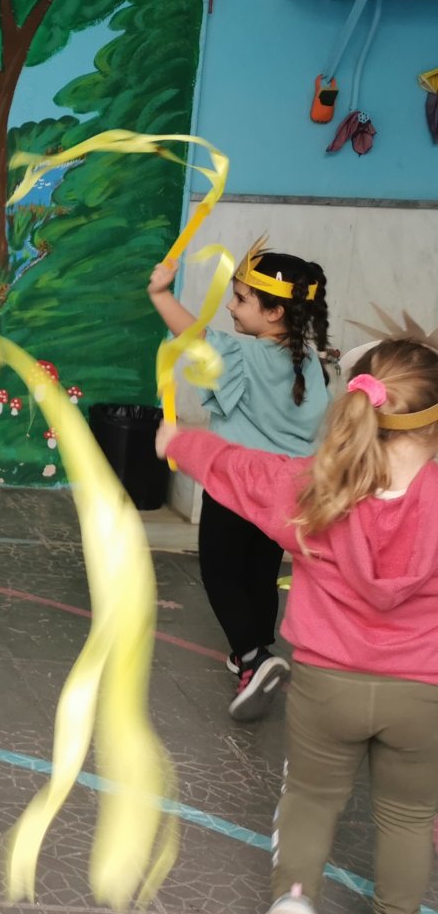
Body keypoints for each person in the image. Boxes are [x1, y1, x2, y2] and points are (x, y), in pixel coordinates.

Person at [159, 338, 438, 914]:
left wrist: (179, 442)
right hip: (422, 693)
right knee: (406, 817)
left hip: (326, 684)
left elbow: (241, 469)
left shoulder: (316, 487)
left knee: (310, 800)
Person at [148, 240, 330, 718]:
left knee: (220, 571)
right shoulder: (311, 362)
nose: (230, 306)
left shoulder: (244, 356)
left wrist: (160, 294)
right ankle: (252, 650)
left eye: (241, 299)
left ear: (274, 312)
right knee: (260, 573)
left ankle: (253, 657)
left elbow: (193, 335)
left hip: (236, 484)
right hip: (288, 490)